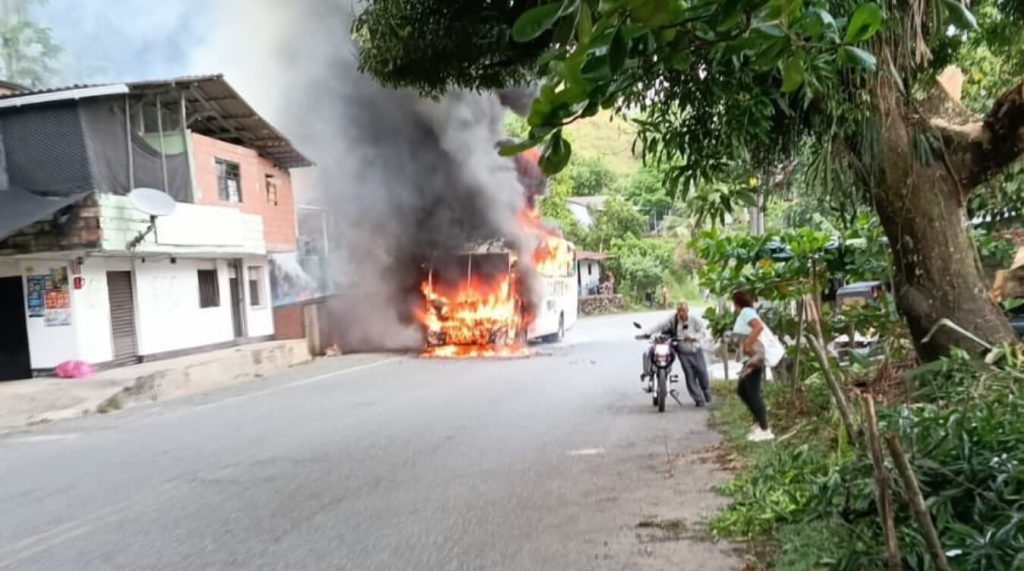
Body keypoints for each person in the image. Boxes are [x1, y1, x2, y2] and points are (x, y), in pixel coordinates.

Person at [637, 301, 712, 407]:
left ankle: (706, 390)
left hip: (696, 350)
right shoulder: (673, 319)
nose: (681, 314)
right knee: (689, 375)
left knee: (702, 372)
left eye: (683, 311)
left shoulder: (694, 320)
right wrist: (647, 333)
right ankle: (698, 399)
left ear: (687, 311)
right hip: (683, 352)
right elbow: (659, 325)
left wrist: (693, 337)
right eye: (679, 311)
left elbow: (703, 332)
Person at [732, 290, 774, 442]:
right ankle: (759, 422)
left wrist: (747, 345)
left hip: (754, 359)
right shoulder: (744, 313)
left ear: (737, 303)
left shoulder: (746, 312)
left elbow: (758, 327)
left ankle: (765, 429)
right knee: (742, 391)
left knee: (753, 394)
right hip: (748, 359)